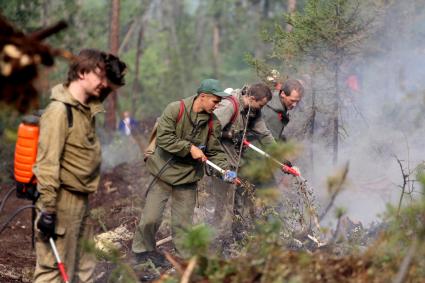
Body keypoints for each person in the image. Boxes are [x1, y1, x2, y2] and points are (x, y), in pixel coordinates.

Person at [32, 49, 127, 283]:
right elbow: (47, 164)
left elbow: (109, 84)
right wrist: (48, 210)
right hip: (60, 200)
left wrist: (113, 72)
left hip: (80, 201)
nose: (104, 84)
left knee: (84, 267)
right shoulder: (59, 112)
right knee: (53, 271)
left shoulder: (84, 109)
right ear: (83, 72)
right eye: (100, 77)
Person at [131, 78, 237, 265]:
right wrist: (189, 148)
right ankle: (143, 253)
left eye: (220, 101)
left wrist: (225, 169)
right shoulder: (175, 109)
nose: (218, 105)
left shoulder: (213, 123)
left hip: (188, 178)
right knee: (150, 218)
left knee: (183, 224)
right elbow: (164, 138)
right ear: (202, 97)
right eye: (215, 100)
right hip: (163, 172)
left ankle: (183, 260)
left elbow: (214, 151)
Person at [212, 83, 276, 240]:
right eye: (261, 104)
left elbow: (264, 133)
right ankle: (219, 239)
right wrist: (230, 134)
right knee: (225, 200)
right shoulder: (230, 105)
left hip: (236, 160)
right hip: (221, 160)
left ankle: (236, 234)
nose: (261, 108)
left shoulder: (253, 110)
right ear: (252, 98)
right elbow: (210, 129)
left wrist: (280, 155)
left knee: (238, 198)